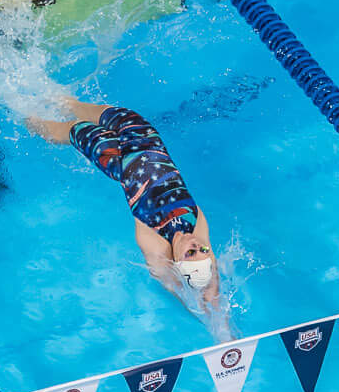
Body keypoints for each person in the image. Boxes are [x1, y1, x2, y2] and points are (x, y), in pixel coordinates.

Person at [29, 97, 221, 305]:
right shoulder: (195, 225)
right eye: (202, 250)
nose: (196, 244)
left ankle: (24, 116)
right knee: (94, 110)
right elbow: (211, 272)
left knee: (75, 129)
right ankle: (55, 96)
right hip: (142, 134)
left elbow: (167, 280)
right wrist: (222, 321)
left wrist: (198, 309)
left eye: (191, 252)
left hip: (116, 159)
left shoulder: (155, 241)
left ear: (177, 263)